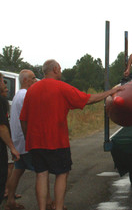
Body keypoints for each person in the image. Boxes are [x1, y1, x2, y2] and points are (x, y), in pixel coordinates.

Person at [19, 60, 124, 210]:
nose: (60, 72)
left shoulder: (32, 90)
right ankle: (59, 207)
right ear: (55, 69)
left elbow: (23, 119)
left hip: (36, 142)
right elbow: (88, 99)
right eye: (60, 69)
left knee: (41, 175)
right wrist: (110, 92)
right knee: (62, 174)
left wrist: (27, 138)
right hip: (57, 142)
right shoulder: (62, 88)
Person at [6, 70, 54, 210]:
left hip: (18, 140)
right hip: (27, 141)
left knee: (18, 169)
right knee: (42, 172)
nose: (35, 81)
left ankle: (10, 200)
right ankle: (48, 202)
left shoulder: (17, 96)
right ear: (26, 80)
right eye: (33, 78)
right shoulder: (26, 95)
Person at [0, 73, 20, 206]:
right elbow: (1, 127)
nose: (5, 85)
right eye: (2, 81)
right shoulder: (1, 101)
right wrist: (12, 147)